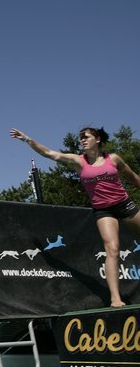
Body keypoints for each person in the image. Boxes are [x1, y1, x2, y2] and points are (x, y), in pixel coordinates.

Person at [10, 127, 140, 307]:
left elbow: (133, 177)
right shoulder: (78, 161)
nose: (82, 141)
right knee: (112, 249)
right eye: (81, 138)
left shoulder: (114, 159)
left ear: (98, 139)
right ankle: (115, 299)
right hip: (104, 211)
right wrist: (26, 139)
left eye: (86, 137)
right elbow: (49, 153)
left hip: (124, 205)